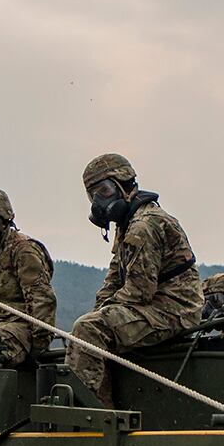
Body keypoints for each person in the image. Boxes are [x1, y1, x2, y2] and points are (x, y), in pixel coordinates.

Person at [67, 153, 203, 407]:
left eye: (104, 191)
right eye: (93, 194)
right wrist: (101, 308)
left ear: (124, 185)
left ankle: (92, 414)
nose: (98, 201)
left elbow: (138, 292)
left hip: (174, 311)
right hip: (156, 307)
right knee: (88, 325)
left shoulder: (145, 225)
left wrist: (100, 316)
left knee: (89, 330)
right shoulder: (127, 224)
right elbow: (113, 280)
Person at [0, 187, 57, 366]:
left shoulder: (23, 250)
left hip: (21, 327)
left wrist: (38, 348)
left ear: (2, 222)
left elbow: (41, 300)